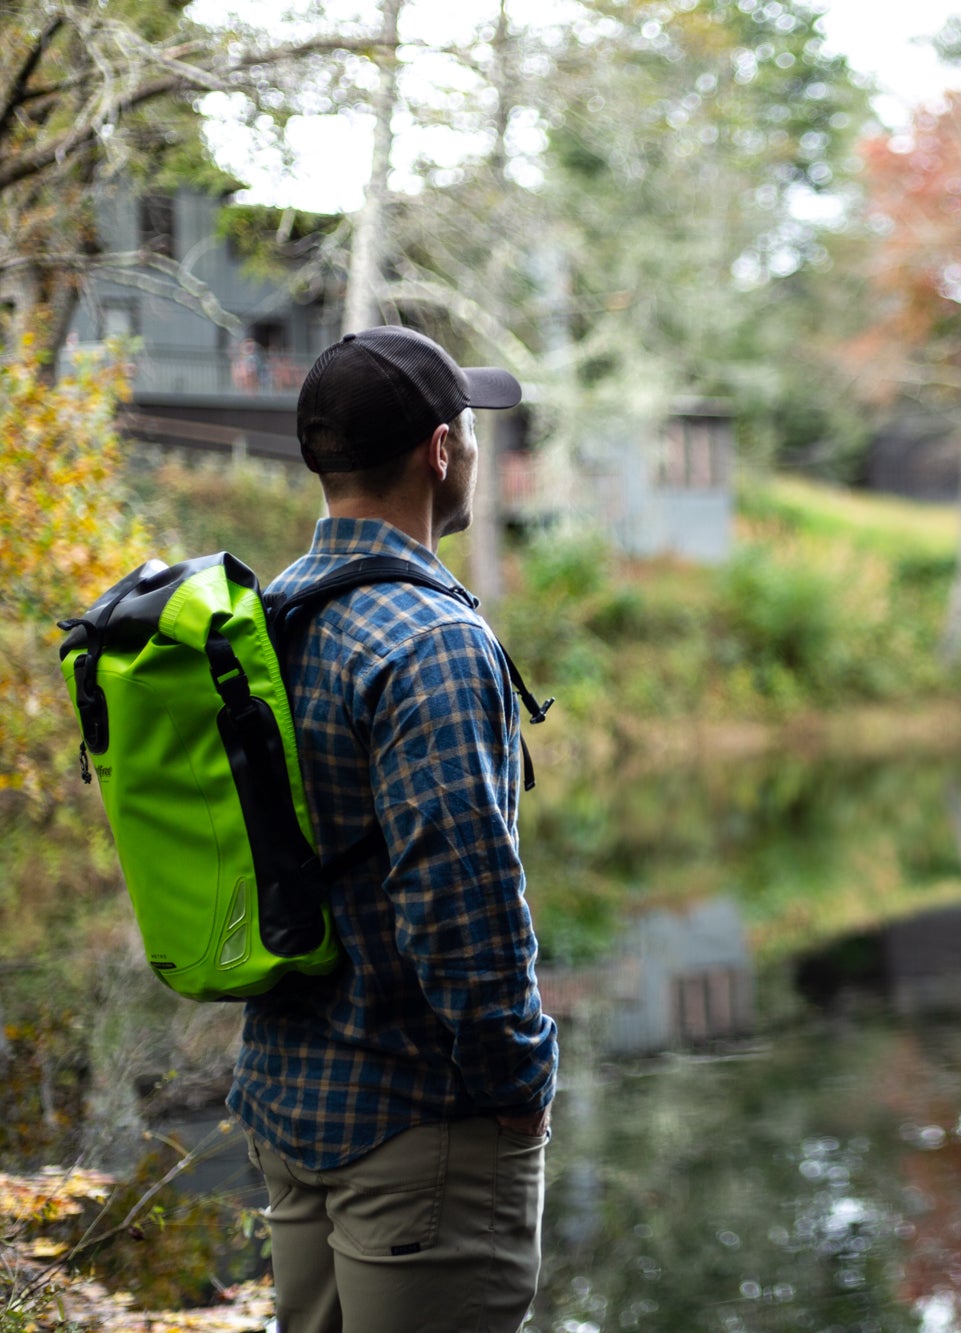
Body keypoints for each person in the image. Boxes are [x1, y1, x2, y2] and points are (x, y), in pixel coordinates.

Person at [229, 326, 559, 1333]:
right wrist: (520, 1086)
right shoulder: (432, 642)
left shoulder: (257, 623)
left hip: (290, 1105)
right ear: (441, 449)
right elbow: (460, 904)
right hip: (420, 1131)